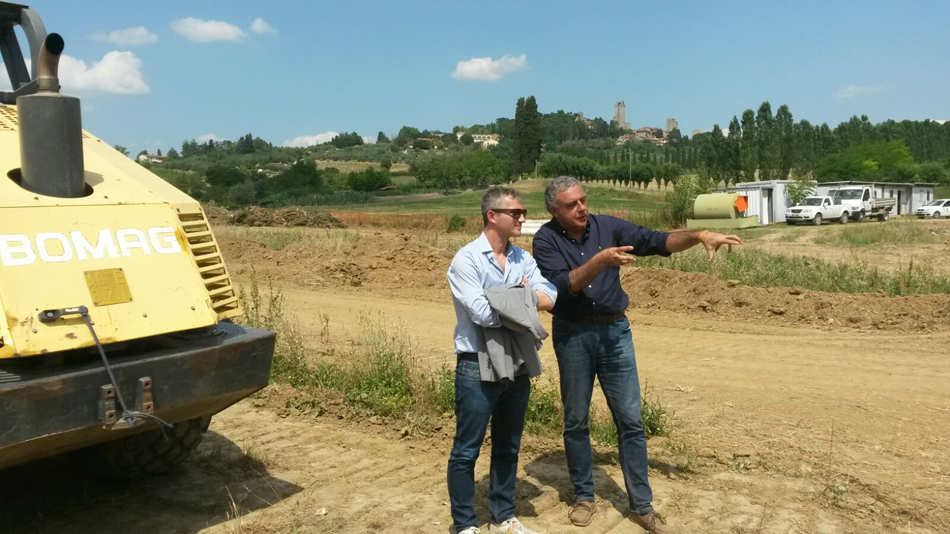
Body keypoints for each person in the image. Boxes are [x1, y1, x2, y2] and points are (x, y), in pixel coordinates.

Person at [531, 176, 743, 533]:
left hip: (615, 332)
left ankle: (642, 506)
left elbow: (655, 241)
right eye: (572, 205)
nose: (582, 208)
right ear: (554, 210)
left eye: (583, 200)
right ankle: (585, 495)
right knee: (576, 419)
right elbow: (564, 285)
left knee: (630, 421)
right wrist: (599, 261)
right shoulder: (545, 239)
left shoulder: (608, 226)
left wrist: (699, 236)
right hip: (573, 334)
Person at [446, 186, 558, 534]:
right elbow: (481, 313)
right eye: (516, 213)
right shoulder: (466, 259)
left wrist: (511, 299)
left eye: (523, 213)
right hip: (476, 362)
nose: (522, 218)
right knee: (467, 450)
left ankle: (502, 517)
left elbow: (550, 296)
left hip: (517, 360)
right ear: (492, 216)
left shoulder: (524, 258)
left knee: (508, 445)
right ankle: (465, 524)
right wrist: (524, 298)